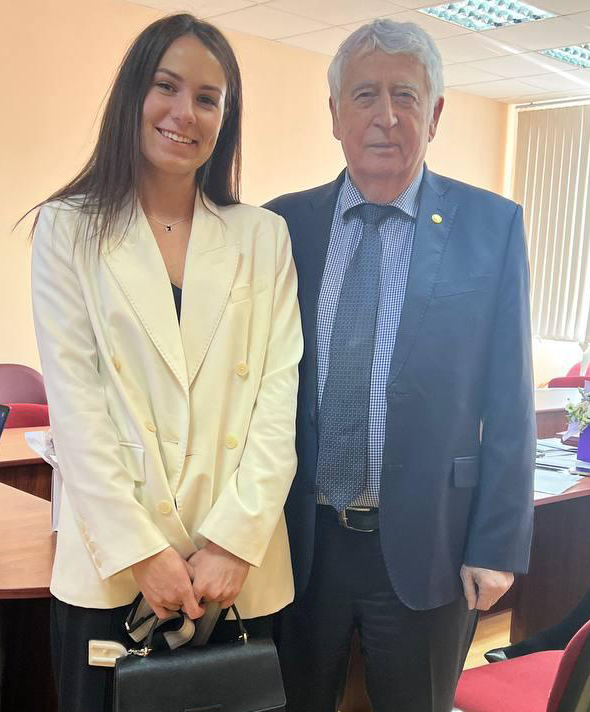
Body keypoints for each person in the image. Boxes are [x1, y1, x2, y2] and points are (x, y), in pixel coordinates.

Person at [30, 14, 302, 712]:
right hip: (114, 568)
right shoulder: (69, 229)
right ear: (134, 95)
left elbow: (278, 403)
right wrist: (144, 553)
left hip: (236, 576)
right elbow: (77, 408)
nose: (186, 112)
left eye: (208, 98)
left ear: (224, 118)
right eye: (166, 86)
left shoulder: (262, 236)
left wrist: (233, 543)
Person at [265, 18, 535, 712]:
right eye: (365, 95)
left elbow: (509, 403)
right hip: (300, 543)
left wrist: (497, 544)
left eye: (406, 96)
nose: (386, 116)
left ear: (435, 113)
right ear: (335, 114)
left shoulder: (491, 227)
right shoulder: (281, 227)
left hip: (429, 545)